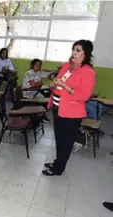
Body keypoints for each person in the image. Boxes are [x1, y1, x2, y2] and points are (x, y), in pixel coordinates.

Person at [43, 39, 96, 176]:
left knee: (66, 142)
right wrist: (53, 83)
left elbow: (84, 95)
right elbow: (58, 81)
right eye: (73, 49)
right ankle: (58, 161)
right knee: (59, 139)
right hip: (57, 107)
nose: (74, 52)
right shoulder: (67, 65)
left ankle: (58, 168)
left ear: (86, 54)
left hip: (72, 112)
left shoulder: (88, 72)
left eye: (78, 50)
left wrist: (66, 87)